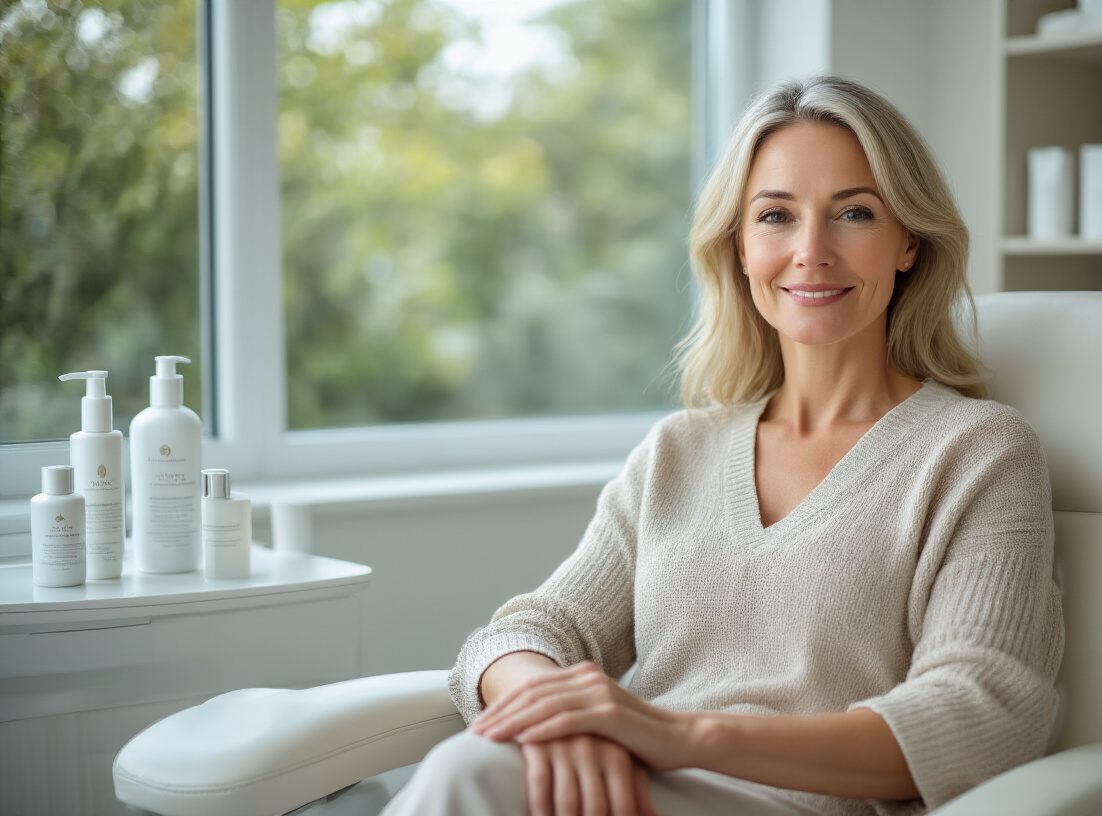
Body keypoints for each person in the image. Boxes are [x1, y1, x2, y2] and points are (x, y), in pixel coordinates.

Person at [382, 75, 1064, 816]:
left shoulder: (978, 451)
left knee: (468, 776)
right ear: (739, 247)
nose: (811, 251)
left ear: (907, 242)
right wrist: (558, 721)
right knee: (473, 764)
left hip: (792, 805)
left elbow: (980, 714)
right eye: (776, 216)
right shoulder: (679, 451)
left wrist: (681, 734)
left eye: (855, 213)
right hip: (624, 786)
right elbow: (528, 632)